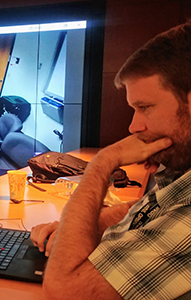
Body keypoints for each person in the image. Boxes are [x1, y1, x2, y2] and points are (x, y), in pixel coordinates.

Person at [30, 21, 191, 299]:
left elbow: (65, 290)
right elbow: (148, 208)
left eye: (144, 108)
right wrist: (81, 227)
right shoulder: (181, 170)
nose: (133, 126)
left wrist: (102, 164)